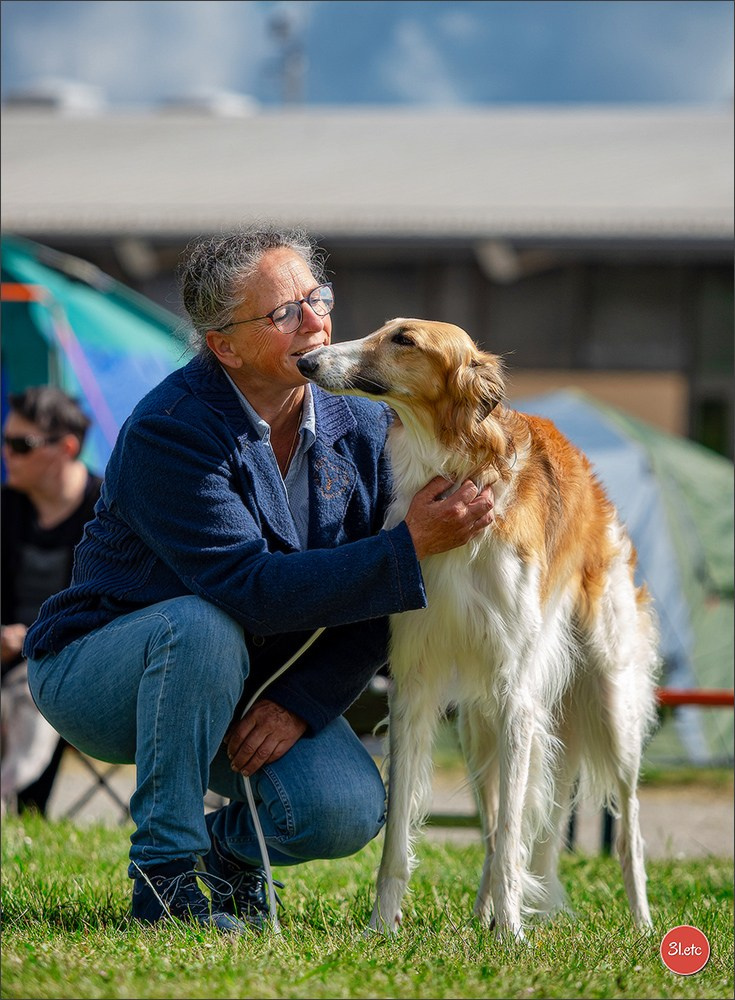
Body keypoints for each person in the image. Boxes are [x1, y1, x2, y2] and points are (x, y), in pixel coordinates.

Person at [24, 225, 495, 935]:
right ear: (225, 346)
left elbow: (377, 604)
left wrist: (302, 702)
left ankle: (226, 861)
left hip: (253, 682)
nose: (317, 322)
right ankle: (167, 883)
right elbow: (249, 589)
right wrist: (411, 546)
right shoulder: (169, 430)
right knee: (199, 623)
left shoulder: (367, 426)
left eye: (316, 298)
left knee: (341, 809)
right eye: (284, 313)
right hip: (97, 671)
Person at [1, 386, 102, 816]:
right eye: (6, 442)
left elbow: (115, 608)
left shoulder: (107, 511)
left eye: (21, 445)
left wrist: (34, 639)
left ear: (67, 447)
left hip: (70, 663)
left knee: (32, 688)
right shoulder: (6, 507)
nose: (8, 454)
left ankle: (13, 800)